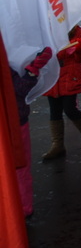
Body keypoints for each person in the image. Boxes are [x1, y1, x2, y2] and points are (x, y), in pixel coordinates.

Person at [41, 26, 81, 160]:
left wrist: (77, 47)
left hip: (69, 75)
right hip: (53, 75)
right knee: (54, 111)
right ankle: (57, 145)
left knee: (70, 109)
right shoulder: (46, 27)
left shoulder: (75, 30)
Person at [11, 47, 52, 217]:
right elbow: (20, 89)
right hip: (15, 123)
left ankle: (17, 209)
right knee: (20, 167)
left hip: (15, 122)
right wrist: (33, 69)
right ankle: (22, 208)